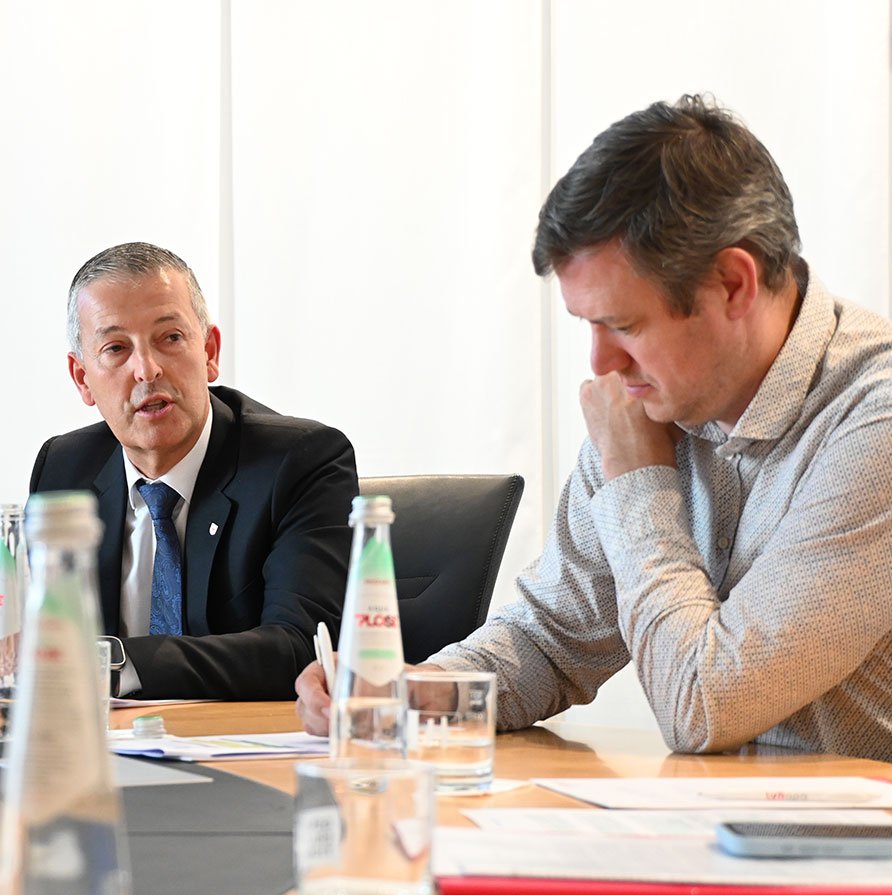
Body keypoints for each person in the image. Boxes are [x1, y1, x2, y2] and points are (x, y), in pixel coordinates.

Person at [298, 95, 892, 761]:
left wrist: (638, 480)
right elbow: (552, 641)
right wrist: (403, 694)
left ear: (732, 284)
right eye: (588, 325)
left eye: (623, 325)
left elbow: (705, 705)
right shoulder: (653, 398)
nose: (601, 364)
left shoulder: (875, 420)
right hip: (721, 816)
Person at [0, 242, 358, 699]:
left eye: (170, 338)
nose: (147, 370)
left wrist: (103, 661)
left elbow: (301, 648)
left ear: (209, 351)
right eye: (115, 349)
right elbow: (11, 630)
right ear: (82, 378)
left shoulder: (300, 461)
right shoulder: (66, 467)